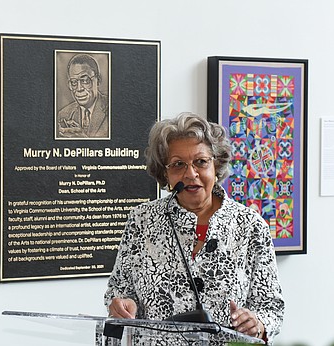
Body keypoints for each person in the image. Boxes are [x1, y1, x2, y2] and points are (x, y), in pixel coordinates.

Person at [105, 112, 284, 344]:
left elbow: (271, 307)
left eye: (201, 162)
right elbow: (119, 289)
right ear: (165, 173)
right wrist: (122, 305)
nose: (191, 174)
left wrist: (258, 324)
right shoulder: (141, 220)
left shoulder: (250, 225)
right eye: (178, 164)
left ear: (216, 164)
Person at [57, 53, 109, 139]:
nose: (79, 88)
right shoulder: (63, 114)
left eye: (85, 80)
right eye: (73, 82)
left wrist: (83, 139)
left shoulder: (111, 109)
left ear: (98, 81)